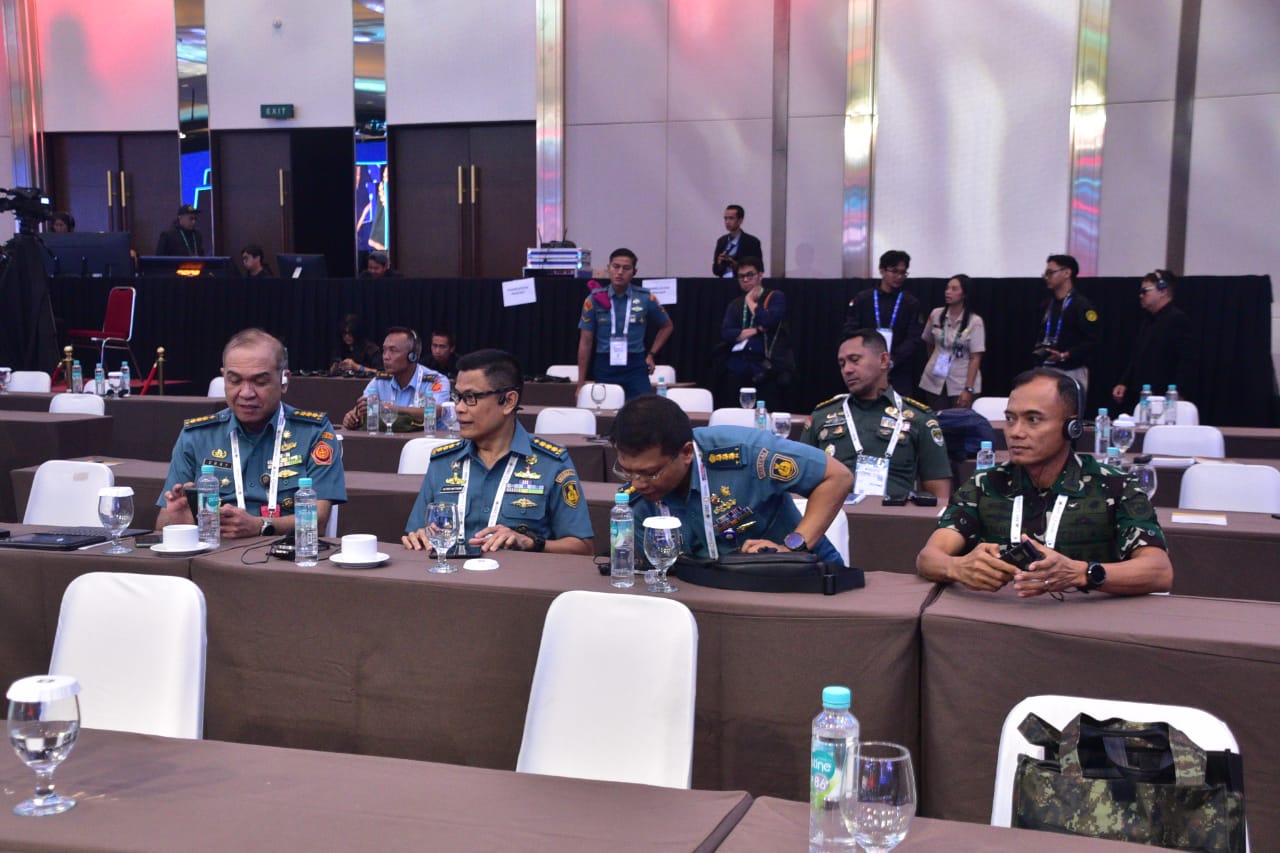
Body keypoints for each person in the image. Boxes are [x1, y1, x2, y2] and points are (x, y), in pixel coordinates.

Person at [916, 368, 1173, 597]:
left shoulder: (1115, 485)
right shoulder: (985, 484)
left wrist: (1083, 573)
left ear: (1071, 427)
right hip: (998, 617)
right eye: (1010, 418)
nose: (1016, 432)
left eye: (1033, 420)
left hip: (1084, 624)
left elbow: (1159, 571)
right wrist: (957, 567)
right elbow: (928, 557)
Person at [610, 395, 853, 563]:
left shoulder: (749, 454)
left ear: (686, 453)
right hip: (711, 596)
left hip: (798, 580)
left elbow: (838, 477)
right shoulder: (636, 502)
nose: (637, 483)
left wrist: (792, 548)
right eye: (627, 471)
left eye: (650, 473)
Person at [156, 328, 346, 537]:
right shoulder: (197, 435)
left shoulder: (313, 432)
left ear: (284, 380)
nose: (246, 393)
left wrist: (261, 526)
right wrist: (179, 521)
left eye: (260, 382)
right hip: (214, 551)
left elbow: (318, 520)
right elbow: (163, 522)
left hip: (284, 551)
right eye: (235, 381)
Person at [402, 349, 593, 555]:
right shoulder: (443, 462)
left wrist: (532, 543)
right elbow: (415, 532)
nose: (459, 408)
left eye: (470, 397)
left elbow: (583, 547)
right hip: (450, 574)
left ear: (508, 401)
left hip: (517, 574)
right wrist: (418, 536)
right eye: (458, 397)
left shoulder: (551, 464)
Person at [799, 329, 952, 502]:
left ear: (884, 360)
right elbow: (799, 483)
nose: (847, 370)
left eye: (855, 360)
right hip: (832, 514)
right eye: (842, 364)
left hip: (893, 515)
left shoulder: (919, 418)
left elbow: (940, 497)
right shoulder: (822, 416)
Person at [576, 248, 673, 401]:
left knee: (643, 409)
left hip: (635, 364)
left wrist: (651, 354)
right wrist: (580, 383)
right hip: (605, 363)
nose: (620, 272)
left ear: (634, 272)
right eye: (616, 267)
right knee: (605, 409)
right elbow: (585, 342)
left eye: (626, 268)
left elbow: (667, 326)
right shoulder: (594, 299)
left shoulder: (646, 298)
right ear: (608, 268)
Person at [841, 250, 924, 396]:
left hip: (898, 369)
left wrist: (892, 360)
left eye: (903, 273)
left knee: (898, 407)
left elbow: (914, 338)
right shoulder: (863, 299)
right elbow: (850, 330)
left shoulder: (910, 303)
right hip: (866, 366)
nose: (899, 277)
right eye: (894, 271)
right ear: (882, 271)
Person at [714, 256, 793, 410]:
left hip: (766, 368)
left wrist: (750, 301)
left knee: (765, 412)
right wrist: (756, 330)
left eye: (750, 275)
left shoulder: (775, 297)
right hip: (738, 367)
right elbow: (727, 333)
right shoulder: (735, 304)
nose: (745, 280)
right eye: (741, 276)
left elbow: (768, 320)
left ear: (760, 275)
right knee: (736, 412)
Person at [1111, 269, 1195, 412]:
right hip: (1143, 394)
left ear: (1163, 291)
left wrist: (1178, 393)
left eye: (1145, 291)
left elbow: (1187, 361)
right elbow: (1137, 356)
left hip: (1165, 395)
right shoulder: (1148, 321)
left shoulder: (1177, 319)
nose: (1141, 295)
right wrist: (1124, 382)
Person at [341, 327, 451, 431]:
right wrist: (354, 416)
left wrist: (388, 409)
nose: (386, 357)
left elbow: (436, 411)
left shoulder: (435, 380)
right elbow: (365, 405)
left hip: (428, 441)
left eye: (393, 350)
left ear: (412, 356)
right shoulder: (380, 381)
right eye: (384, 350)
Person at [918, 274, 986, 410]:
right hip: (934, 380)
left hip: (961, 381)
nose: (948, 292)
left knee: (958, 420)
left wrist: (968, 388)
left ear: (964, 294)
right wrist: (934, 361)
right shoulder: (936, 314)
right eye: (947, 288)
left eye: (954, 289)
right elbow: (929, 343)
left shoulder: (975, 321)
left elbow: (975, 357)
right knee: (937, 419)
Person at [1036, 254, 1098, 393]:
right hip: (1046, 368)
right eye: (1045, 274)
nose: (1047, 277)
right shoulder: (1048, 304)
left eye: (1050, 272)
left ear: (1067, 273)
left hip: (1072, 371)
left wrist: (1065, 355)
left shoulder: (1081, 305)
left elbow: (1091, 341)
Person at [712, 204, 763, 278]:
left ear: (740, 220)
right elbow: (715, 271)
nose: (727, 222)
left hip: (742, 282)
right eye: (725, 218)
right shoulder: (721, 241)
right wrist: (719, 264)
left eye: (731, 218)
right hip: (723, 282)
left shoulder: (752, 242)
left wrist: (737, 266)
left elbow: (759, 268)